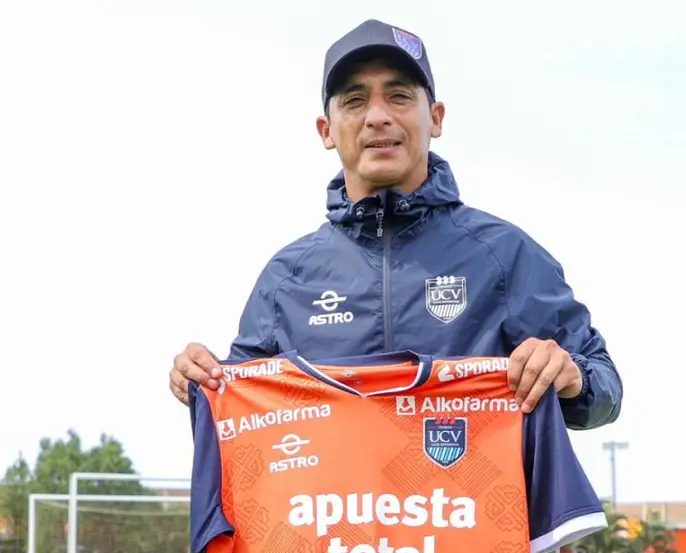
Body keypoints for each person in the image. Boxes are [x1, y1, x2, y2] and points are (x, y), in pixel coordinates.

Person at [169, 18, 622, 430]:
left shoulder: (505, 255)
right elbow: (240, 412)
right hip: (332, 501)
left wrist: (572, 377)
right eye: (355, 101)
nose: (378, 116)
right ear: (326, 130)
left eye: (399, 96)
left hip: (476, 498)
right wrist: (201, 380)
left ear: (436, 118)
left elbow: (604, 386)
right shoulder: (286, 277)